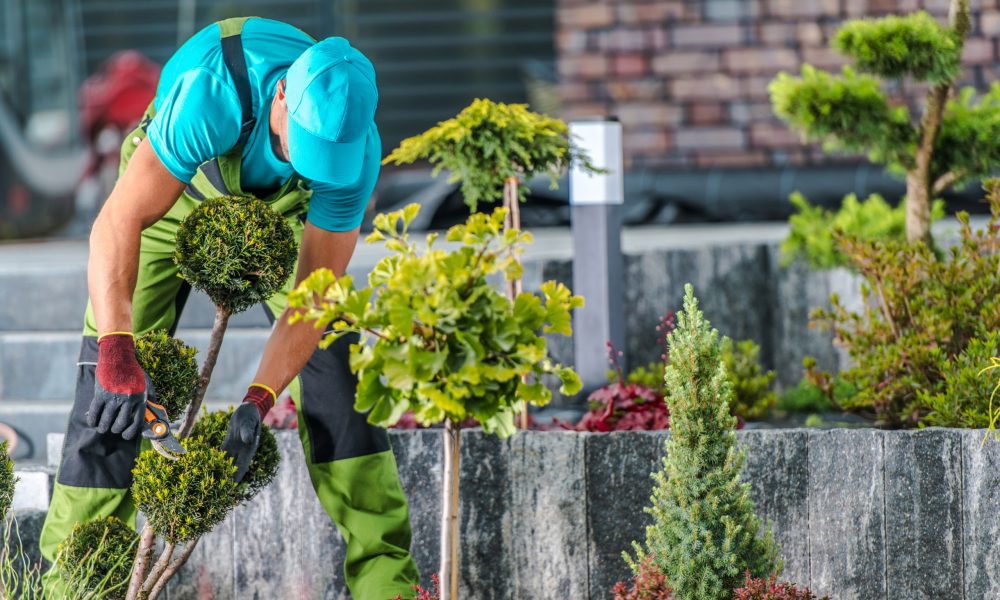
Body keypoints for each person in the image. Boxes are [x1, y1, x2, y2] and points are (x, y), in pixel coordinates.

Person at [39, 16, 419, 599]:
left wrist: (257, 399)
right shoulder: (211, 89)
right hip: (173, 191)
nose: (307, 164)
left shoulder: (352, 151)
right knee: (105, 396)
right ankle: (74, 588)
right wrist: (118, 348)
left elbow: (312, 300)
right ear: (283, 97)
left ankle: (387, 585)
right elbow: (118, 219)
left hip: (281, 215)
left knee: (337, 379)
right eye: (303, 148)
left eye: (324, 160)